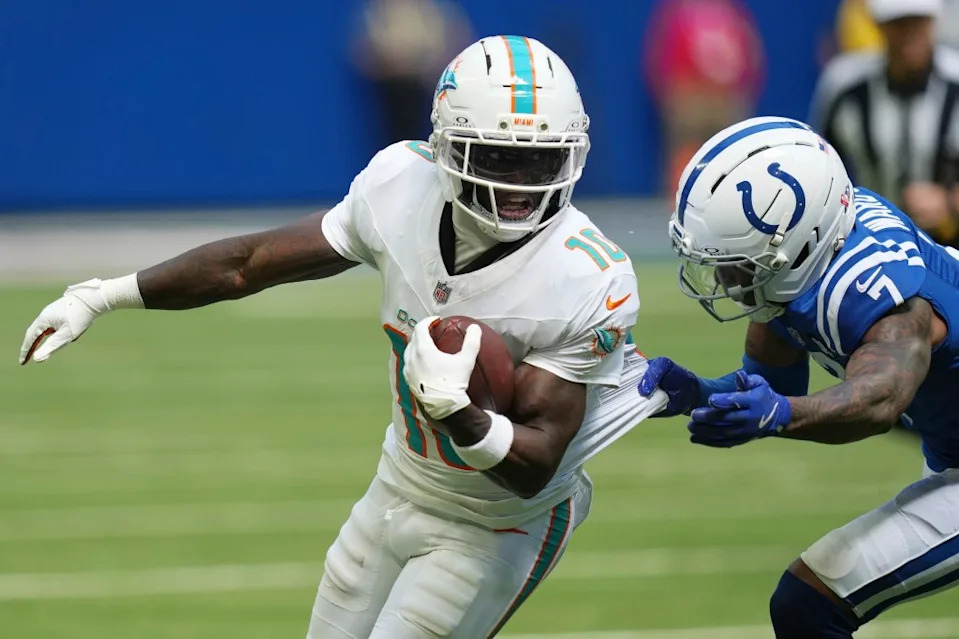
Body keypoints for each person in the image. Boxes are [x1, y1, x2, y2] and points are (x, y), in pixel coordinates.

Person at [19, 37, 666, 638]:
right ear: (446, 147)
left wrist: (462, 414)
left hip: (497, 524)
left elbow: (537, 463)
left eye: (539, 160)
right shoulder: (399, 185)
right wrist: (105, 294)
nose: (521, 186)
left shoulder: (586, 273)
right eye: (498, 156)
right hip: (397, 484)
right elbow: (248, 262)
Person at [638, 115, 959, 638]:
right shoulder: (803, 260)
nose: (725, 281)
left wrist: (778, 416)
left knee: (808, 604)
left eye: (736, 264)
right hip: (949, 454)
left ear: (798, 245)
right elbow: (775, 388)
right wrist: (697, 392)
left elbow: (881, 398)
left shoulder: (879, 291)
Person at [811, 0, 959, 247]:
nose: (909, 34)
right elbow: (817, 171)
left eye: (918, 21)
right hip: (868, 246)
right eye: (899, 24)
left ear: (933, 21)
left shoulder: (954, 84)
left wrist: (948, 202)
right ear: (879, 26)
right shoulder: (845, 88)